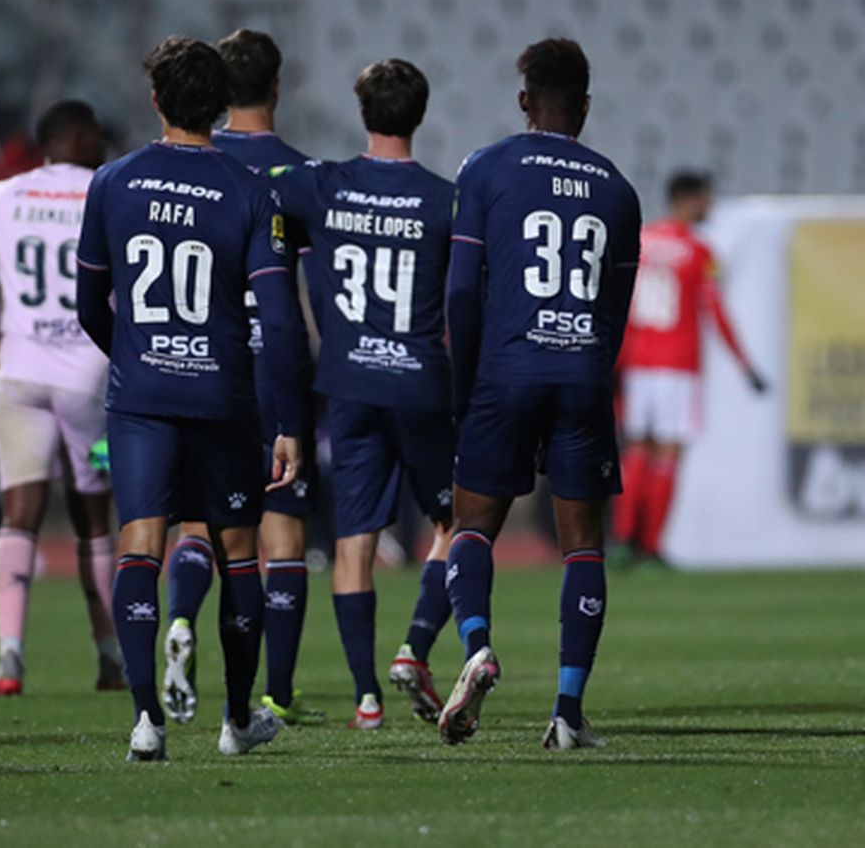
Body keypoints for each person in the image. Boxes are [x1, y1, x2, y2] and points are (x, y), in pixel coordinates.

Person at [75, 36, 306, 761]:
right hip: (222, 394)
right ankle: (237, 722)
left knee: (141, 541)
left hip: (142, 396)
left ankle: (146, 721)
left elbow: (88, 302)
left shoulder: (112, 181)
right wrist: (290, 422)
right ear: (221, 106)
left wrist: (139, 359)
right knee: (239, 551)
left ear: (155, 101)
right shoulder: (249, 188)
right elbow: (278, 320)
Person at [441, 38, 641, 750]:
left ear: (525, 101)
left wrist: (466, 391)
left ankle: (476, 648)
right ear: (585, 106)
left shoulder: (487, 168)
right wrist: (590, 368)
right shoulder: (618, 188)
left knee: (472, 527)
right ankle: (567, 710)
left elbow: (463, 290)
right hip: (582, 371)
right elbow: (615, 309)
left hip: (505, 369)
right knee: (582, 545)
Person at [269, 58, 457, 729]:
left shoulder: (319, 185)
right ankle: (416, 645)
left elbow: (258, 179)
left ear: (362, 113)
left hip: (347, 383)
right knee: (455, 523)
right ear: (421, 113)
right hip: (419, 382)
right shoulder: (446, 199)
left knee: (354, 540)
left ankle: (366, 697)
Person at [159, 28, 324, 727]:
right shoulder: (301, 173)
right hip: (274, 367)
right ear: (278, 86)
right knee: (281, 535)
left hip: (204, 366)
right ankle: (276, 694)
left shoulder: (194, 161)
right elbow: (310, 294)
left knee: (197, 523)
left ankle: (179, 620)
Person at [0, 100, 122, 696]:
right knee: (93, 516)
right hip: (88, 381)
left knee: (19, 512)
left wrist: (13, 332)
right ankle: (110, 653)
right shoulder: (105, 189)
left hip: (19, 375)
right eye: (97, 136)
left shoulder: (0, 198)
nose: (104, 145)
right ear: (77, 137)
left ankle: (9, 652)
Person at [612, 171, 763, 565]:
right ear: (691, 199)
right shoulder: (698, 251)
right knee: (668, 454)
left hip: (639, 363)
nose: (709, 207)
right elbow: (715, 311)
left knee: (636, 452)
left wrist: (617, 363)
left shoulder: (641, 241)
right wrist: (747, 366)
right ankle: (651, 546)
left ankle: (623, 539)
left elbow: (621, 309)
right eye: (706, 199)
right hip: (677, 366)